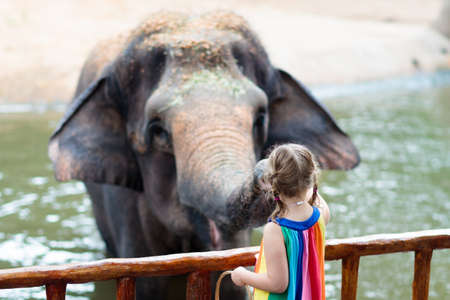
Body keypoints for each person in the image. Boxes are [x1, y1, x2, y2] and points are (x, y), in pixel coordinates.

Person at [231, 143, 330, 299]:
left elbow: (277, 284)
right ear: (311, 177)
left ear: (272, 184)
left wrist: (243, 275)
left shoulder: (275, 229)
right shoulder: (320, 215)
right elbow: (314, 195)